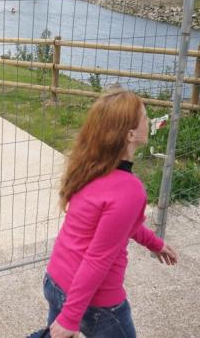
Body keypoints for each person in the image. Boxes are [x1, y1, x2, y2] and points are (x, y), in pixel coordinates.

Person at [43, 90, 178, 338]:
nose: (148, 121)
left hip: (55, 281)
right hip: (96, 304)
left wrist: (155, 243)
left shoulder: (90, 169)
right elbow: (98, 258)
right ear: (130, 134)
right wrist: (71, 318)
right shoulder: (129, 190)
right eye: (145, 117)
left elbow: (118, 226)